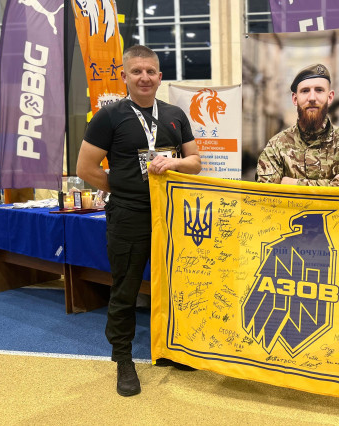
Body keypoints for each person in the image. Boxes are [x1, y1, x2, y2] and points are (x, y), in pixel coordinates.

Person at [76, 45, 202, 397]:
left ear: (160, 77)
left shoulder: (175, 114)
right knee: (126, 288)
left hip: (171, 216)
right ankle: (123, 359)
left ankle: (170, 349)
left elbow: (195, 162)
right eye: (136, 71)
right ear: (125, 76)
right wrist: (123, 190)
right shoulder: (108, 116)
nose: (144, 77)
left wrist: (175, 163)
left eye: (150, 71)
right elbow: (85, 168)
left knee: (173, 285)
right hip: (128, 216)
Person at [256, 64, 339, 187]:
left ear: (330, 97)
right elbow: (266, 191)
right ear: (295, 99)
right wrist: (333, 184)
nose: (312, 98)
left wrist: (292, 184)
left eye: (319, 90)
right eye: (305, 91)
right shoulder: (276, 147)